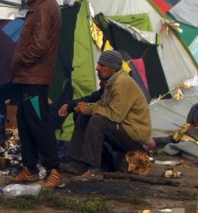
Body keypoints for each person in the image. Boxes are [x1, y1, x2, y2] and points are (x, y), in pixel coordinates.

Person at [59, 50, 152, 180]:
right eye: (99, 64)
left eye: (102, 65)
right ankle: (77, 162)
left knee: (98, 121)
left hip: (134, 135)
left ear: (113, 68)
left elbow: (115, 115)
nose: (97, 68)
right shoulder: (111, 82)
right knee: (83, 115)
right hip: (123, 128)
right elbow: (100, 103)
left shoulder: (122, 83)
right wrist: (82, 107)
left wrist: (89, 109)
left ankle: (94, 169)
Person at [9, 0, 62, 188]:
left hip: (35, 79)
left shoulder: (43, 9)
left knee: (39, 123)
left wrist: (20, 59)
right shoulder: (42, 7)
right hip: (28, 78)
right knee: (25, 121)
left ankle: (53, 170)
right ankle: (29, 167)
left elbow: (39, 45)